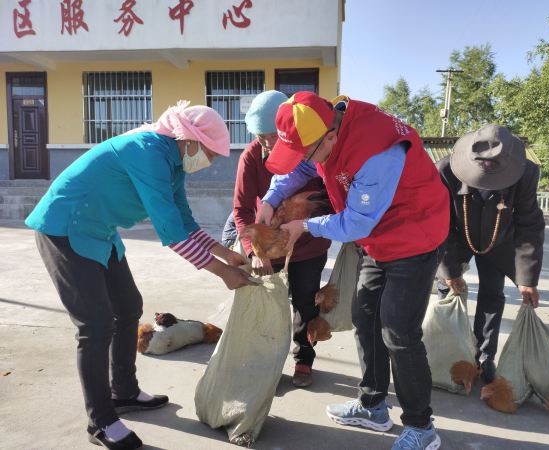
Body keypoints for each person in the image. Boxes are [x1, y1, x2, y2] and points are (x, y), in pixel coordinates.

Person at [25, 101, 256, 450]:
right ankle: (101, 421)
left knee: (128, 306)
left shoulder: (172, 161)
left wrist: (226, 254)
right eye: (209, 152)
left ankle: (124, 392)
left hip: (99, 231)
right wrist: (223, 272)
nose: (210, 161)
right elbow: (171, 232)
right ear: (189, 140)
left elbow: (182, 218)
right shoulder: (147, 151)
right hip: (65, 227)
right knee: (96, 324)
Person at [258, 92, 449, 450]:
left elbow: (357, 222)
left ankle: (422, 427)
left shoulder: (377, 152)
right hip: (379, 237)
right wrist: (270, 200)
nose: (304, 160)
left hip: (415, 235)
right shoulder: (322, 131)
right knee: (365, 317)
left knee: (398, 330)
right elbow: (301, 167)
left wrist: (305, 226)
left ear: (330, 136)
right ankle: (373, 405)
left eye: (306, 152)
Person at [234, 90, 331, 387]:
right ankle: (267, 362)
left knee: (306, 303)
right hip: (270, 247)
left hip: (310, 244)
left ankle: (304, 358)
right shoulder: (251, 156)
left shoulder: (312, 151)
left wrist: (309, 226)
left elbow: (331, 199)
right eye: (259, 136)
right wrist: (256, 251)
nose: (265, 143)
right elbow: (241, 210)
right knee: (267, 307)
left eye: (271, 136)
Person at [435, 124, 545, 384]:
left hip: (498, 239)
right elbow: (437, 223)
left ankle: (485, 358)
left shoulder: (526, 172)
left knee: (492, 295)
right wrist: (449, 270)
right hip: (455, 239)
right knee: (448, 292)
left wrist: (527, 279)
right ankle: (449, 354)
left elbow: (529, 226)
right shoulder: (445, 170)